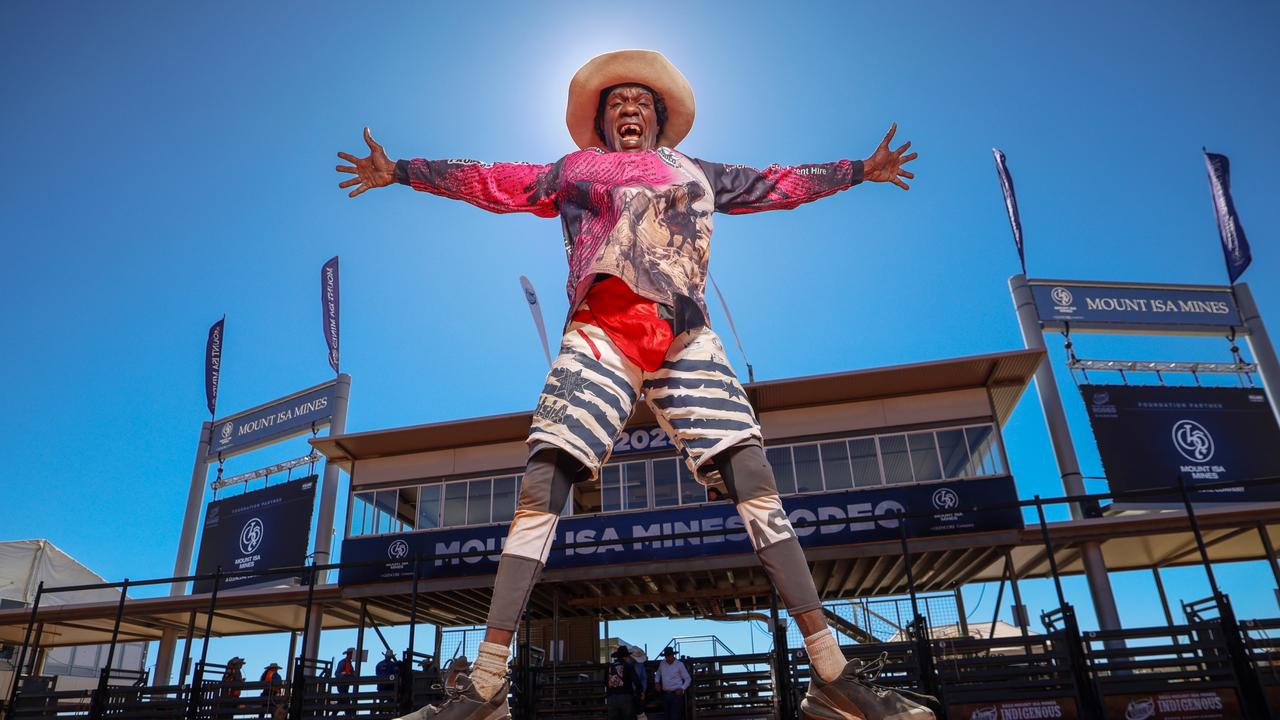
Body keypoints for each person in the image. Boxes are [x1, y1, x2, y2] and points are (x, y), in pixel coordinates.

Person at [340, 49, 929, 720]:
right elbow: (497, 181)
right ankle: (485, 686)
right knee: (544, 480)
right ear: (600, 118)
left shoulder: (697, 172)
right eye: (615, 101)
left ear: (659, 116)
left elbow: (778, 183)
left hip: (682, 330)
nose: (627, 108)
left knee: (754, 480)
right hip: (601, 324)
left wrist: (858, 170)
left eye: (639, 101)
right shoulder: (575, 170)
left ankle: (831, 676)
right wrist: (404, 171)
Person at [606, 645, 644, 720]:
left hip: (612, 698)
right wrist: (640, 692)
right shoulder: (628, 666)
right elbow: (636, 680)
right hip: (625, 697)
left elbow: (605, 682)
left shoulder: (609, 667)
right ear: (625, 656)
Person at [654, 648, 690, 720]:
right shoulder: (662, 663)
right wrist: (657, 682)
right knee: (667, 717)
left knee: (675, 717)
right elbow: (658, 673)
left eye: (669, 655)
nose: (668, 657)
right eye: (667, 656)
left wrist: (682, 689)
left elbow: (688, 679)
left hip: (676, 695)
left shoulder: (679, 665)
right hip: (665, 694)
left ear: (673, 655)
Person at [334, 647, 357, 717]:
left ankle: (333, 715)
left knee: (343, 701)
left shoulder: (348, 663)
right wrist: (344, 674)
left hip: (345, 686)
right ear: (349, 654)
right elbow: (337, 673)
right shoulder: (343, 662)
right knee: (345, 701)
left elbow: (352, 674)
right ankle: (348, 715)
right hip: (342, 685)